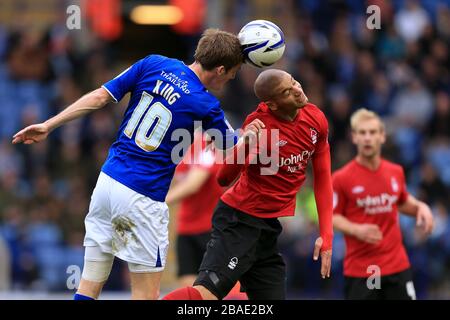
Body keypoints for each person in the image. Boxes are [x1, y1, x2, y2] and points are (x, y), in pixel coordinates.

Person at [11, 28, 259, 300]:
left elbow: (100, 96)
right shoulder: (206, 104)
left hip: (107, 184)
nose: (232, 78)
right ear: (221, 69)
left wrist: (48, 124)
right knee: (145, 295)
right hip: (143, 198)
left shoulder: (153, 63)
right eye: (233, 73)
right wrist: (249, 135)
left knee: (89, 286)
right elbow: (229, 149)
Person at [163, 68, 334, 300]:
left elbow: (323, 175)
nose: (297, 90)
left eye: (294, 82)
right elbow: (223, 177)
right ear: (272, 104)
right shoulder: (259, 125)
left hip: (267, 228)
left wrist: (326, 234)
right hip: (238, 222)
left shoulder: (315, 118)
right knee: (206, 295)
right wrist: (244, 144)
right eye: (287, 91)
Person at [332, 108, 434, 300]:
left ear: (382, 137)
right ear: (354, 137)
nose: (367, 138)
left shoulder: (395, 172)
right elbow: (331, 217)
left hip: (396, 265)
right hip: (365, 269)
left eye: (372, 132)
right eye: (362, 133)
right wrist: (356, 229)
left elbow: (402, 201)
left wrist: (421, 207)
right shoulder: (341, 178)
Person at [166, 131, 247, 299]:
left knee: (215, 290)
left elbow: (193, 184)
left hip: (210, 229)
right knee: (189, 289)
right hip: (185, 229)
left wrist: (158, 201)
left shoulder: (207, 145)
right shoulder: (180, 149)